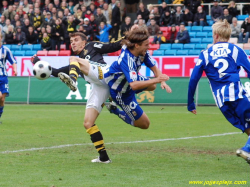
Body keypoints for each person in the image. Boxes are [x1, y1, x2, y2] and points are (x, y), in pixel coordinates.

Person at [32, 32, 124, 163]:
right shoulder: (77, 62)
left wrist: (130, 35)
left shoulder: (91, 46)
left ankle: (73, 80)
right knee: (88, 123)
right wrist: (37, 62)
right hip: (99, 86)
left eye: (76, 40)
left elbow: (113, 46)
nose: (73, 43)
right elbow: (57, 72)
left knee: (73, 60)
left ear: (84, 42)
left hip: (104, 73)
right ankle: (104, 158)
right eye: (71, 41)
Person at [187, 20, 250, 165]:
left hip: (222, 103)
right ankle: (246, 149)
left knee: (248, 129)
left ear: (215, 35)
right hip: (237, 95)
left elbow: (193, 79)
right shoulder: (235, 50)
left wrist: (190, 103)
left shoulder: (205, 54)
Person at [104, 27, 172, 129]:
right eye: (146, 45)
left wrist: (162, 81)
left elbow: (155, 69)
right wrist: (158, 79)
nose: (149, 47)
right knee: (145, 125)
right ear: (136, 45)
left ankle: (131, 101)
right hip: (120, 91)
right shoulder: (127, 59)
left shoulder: (142, 52)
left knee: (152, 85)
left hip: (130, 82)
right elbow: (134, 85)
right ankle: (115, 110)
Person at [0, 34, 17, 123]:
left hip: (3, 77)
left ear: (1, 38)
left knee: (2, 99)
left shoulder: (5, 50)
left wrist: (15, 69)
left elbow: (13, 61)